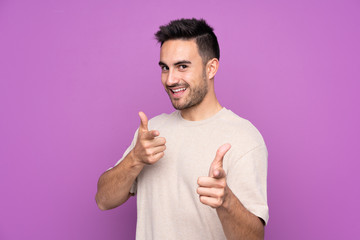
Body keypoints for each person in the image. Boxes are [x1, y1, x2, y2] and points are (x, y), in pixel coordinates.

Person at [95, 18, 268, 240]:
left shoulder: (244, 138)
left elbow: (254, 237)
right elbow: (103, 200)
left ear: (211, 68)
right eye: (165, 68)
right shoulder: (153, 131)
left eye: (182, 66)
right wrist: (134, 159)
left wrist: (226, 201)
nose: (170, 79)